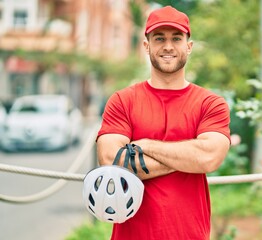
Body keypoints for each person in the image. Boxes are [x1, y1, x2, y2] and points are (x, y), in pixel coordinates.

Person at [96, 5, 231, 240]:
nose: (168, 46)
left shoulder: (210, 103)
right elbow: (111, 161)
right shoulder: (122, 101)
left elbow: (209, 157)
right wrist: (189, 159)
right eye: (159, 38)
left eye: (176, 38)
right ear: (147, 45)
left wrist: (145, 145)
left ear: (188, 47)